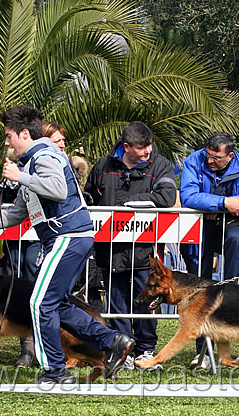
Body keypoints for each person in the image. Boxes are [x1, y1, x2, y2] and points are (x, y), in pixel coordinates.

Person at [0, 105, 134, 384]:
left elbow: (58, 190)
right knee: (55, 303)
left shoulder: (44, 155)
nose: (6, 141)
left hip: (67, 237)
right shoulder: (32, 162)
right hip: (65, 239)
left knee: (39, 303)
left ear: (24, 133)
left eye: (9, 135)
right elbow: (16, 214)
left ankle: (56, 371)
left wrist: (20, 177)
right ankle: (112, 340)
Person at [84, 121, 176, 371]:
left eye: (149, 145)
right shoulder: (103, 165)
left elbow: (167, 198)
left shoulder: (160, 164)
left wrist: (129, 203)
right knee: (117, 303)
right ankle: (124, 348)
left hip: (145, 251)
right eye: (142, 147)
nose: (148, 150)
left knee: (147, 300)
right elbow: (89, 197)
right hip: (109, 251)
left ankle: (146, 348)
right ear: (126, 146)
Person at [180, 132, 239, 368]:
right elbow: (188, 196)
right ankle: (202, 352)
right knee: (200, 292)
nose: (210, 161)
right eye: (208, 156)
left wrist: (224, 206)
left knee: (225, 295)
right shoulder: (193, 161)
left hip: (234, 228)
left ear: (230, 155)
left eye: (216, 158)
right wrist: (222, 202)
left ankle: (231, 287)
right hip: (200, 229)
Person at [0, 148, 42, 368]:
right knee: (16, 286)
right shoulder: (9, 177)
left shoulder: (46, 169)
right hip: (15, 242)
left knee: (36, 286)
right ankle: (26, 347)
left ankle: (47, 346)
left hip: (41, 239)